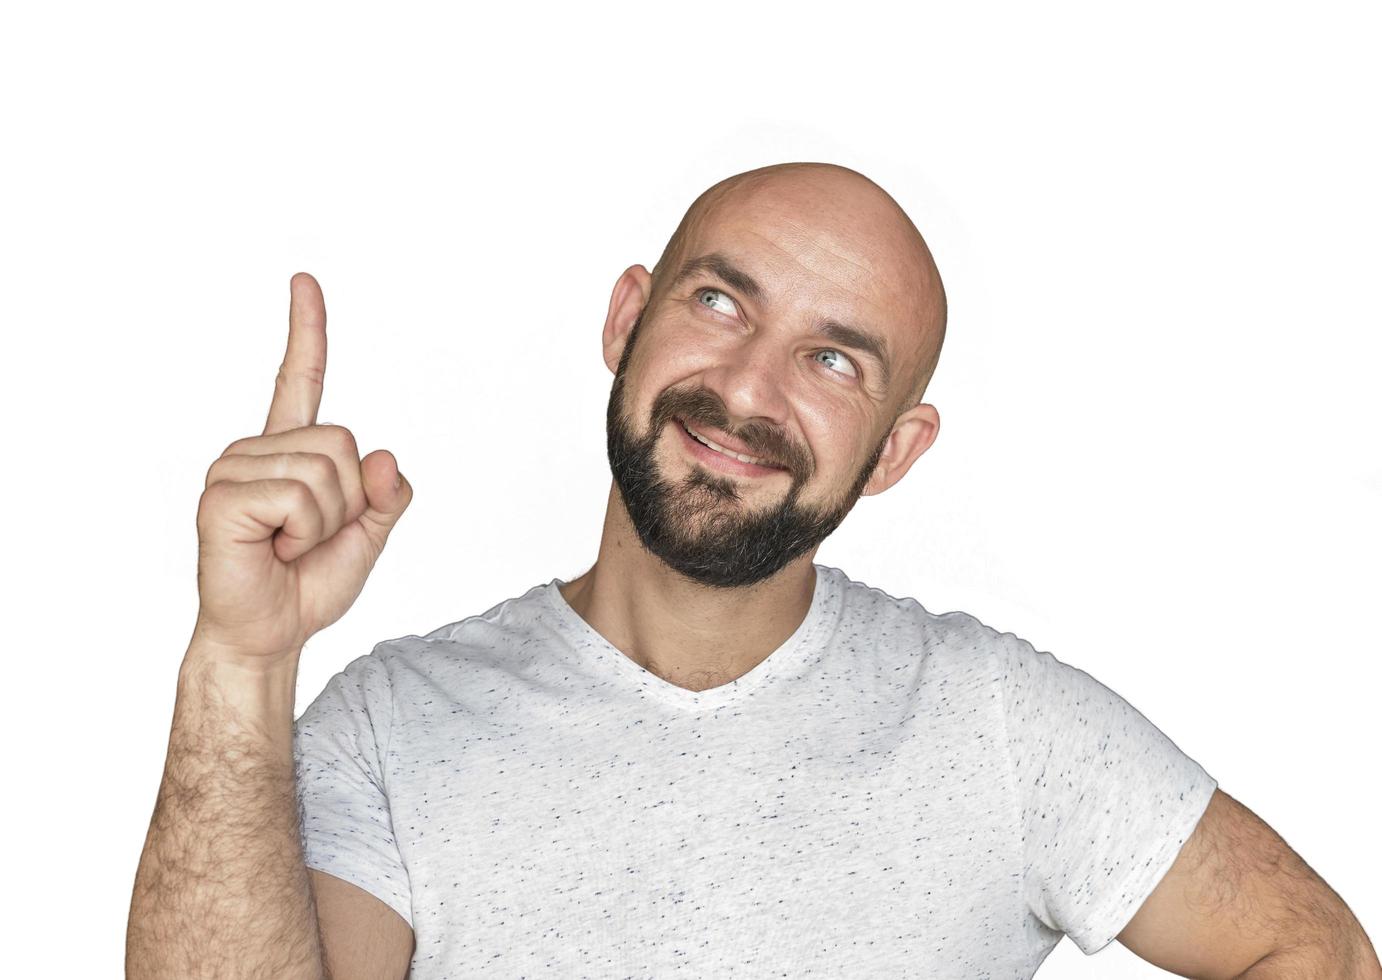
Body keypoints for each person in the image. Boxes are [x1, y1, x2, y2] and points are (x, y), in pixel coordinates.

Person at [127, 163, 1380, 979]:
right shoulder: (389, 727)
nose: (747, 389)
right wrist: (241, 659)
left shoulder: (997, 723)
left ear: (894, 451)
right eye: (722, 302)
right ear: (627, 319)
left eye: (834, 361)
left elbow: (1310, 950)